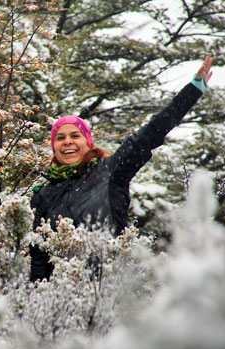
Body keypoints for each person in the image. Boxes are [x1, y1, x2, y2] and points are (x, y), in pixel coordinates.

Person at [30, 56, 214, 281]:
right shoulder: (43, 195)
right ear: (54, 147)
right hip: (63, 297)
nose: (67, 141)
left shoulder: (111, 171)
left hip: (111, 287)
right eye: (60, 138)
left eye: (75, 135)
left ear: (88, 142)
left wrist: (193, 90)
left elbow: (150, 133)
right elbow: (38, 259)